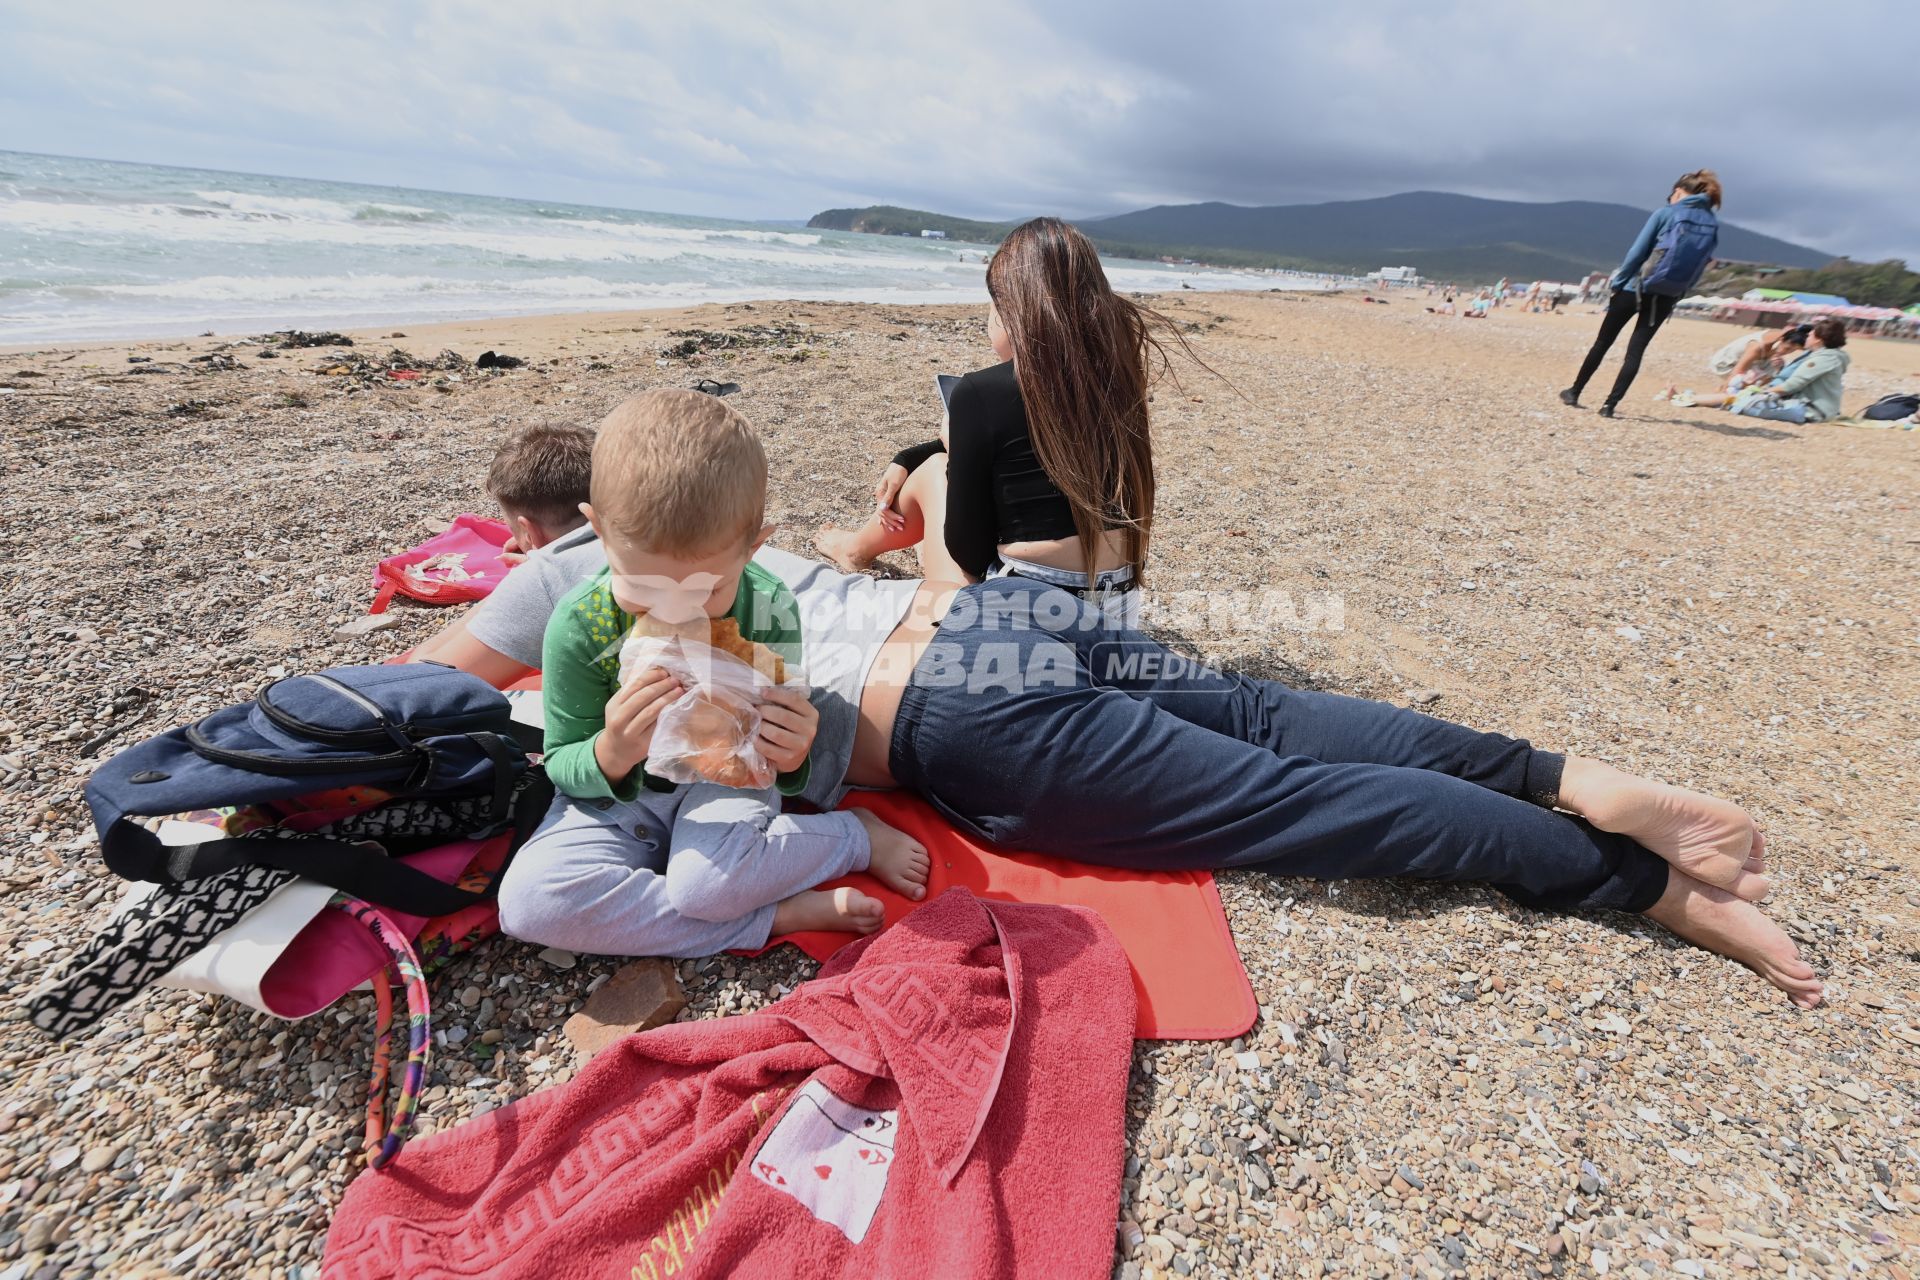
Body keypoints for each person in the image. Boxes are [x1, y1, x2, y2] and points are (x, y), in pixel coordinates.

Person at [431, 536, 1822, 1009]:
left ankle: (1640, 885)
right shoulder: (720, 534)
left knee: (1306, 813)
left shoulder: (566, 586)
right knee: (1282, 720)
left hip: (959, 719)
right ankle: (1566, 770)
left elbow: (423, 691)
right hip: (1001, 616)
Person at [493, 391, 931, 958]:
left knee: (705, 884)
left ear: (753, 548)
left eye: (709, 590)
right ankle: (769, 915)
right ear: (597, 532)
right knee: (530, 904)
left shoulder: (766, 606)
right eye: (645, 589)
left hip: (721, 781)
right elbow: (564, 763)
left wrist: (793, 753)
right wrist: (612, 749)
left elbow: (775, 759)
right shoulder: (580, 623)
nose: (677, 609)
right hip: (620, 799)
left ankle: (852, 836)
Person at [813, 217, 1191, 628]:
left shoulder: (979, 392)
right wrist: (913, 452)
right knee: (929, 464)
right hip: (1116, 610)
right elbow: (1037, 451)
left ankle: (854, 550)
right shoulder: (1115, 382)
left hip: (1028, 618)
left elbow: (969, 551)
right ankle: (860, 546)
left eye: (992, 304)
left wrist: (953, 453)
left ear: (1013, 311)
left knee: (933, 474)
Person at [407, 423, 594, 671]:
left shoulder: (546, 579)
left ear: (528, 531)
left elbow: (425, 677)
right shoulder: (653, 532)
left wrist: (520, 582)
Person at [1560, 170, 1723, 418]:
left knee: (1603, 342)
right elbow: (1703, 263)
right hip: (1667, 293)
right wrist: (1680, 291)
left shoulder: (1666, 213)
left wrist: (1620, 281)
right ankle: (1609, 406)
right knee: (1636, 351)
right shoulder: (1710, 223)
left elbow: (1637, 253)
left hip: (1635, 287)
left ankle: (1575, 392)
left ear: (1678, 191)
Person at [1728, 317, 1851, 424]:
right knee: (1741, 400)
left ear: (1818, 340)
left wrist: (1758, 392)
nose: (1807, 337)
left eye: (1811, 335)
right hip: (1817, 408)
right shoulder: (1830, 356)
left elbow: (1791, 386)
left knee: (1745, 404)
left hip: (1811, 411)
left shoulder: (1823, 359)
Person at [1669, 326, 1808, 409]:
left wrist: (1778, 367)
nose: (1786, 352)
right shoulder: (1756, 346)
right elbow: (1737, 371)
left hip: (1754, 364)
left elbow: (1770, 373)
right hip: (1725, 363)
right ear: (1782, 340)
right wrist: (1731, 387)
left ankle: (1707, 395)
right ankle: (1684, 397)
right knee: (1733, 391)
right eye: (1787, 348)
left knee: (1771, 373)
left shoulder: (1779, 340)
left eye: (1791, 351)